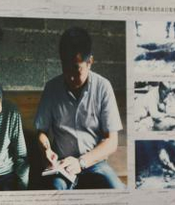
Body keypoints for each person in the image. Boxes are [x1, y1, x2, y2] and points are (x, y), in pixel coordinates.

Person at [35, 26, 124, 190]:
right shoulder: (51, 88)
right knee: (54, 193)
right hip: (62, 164)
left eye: (76, 69)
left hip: (94, 163)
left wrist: (82, 162)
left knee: (117, 191)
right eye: (65, 68)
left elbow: (112, 142)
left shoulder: (103, 87)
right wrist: (46, 150)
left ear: (90, 62)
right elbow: (42, 132)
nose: (70, 77)